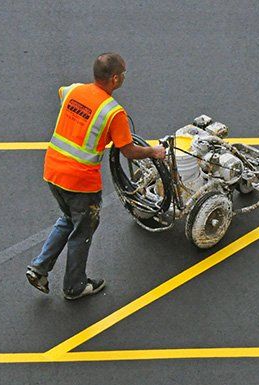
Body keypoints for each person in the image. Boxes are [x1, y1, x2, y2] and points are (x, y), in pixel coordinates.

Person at [26, 53, 165, 300]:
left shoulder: (73, 91)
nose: (124, 77)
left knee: (69, 218)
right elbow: (130, 151)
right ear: (114, 78)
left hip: (53, 172)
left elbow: (64, 95)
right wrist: (154, 151)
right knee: (83, 230)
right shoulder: (114, 113)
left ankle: (39, 268)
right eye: (123, 73)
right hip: (80, 182)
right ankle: (74, 287)